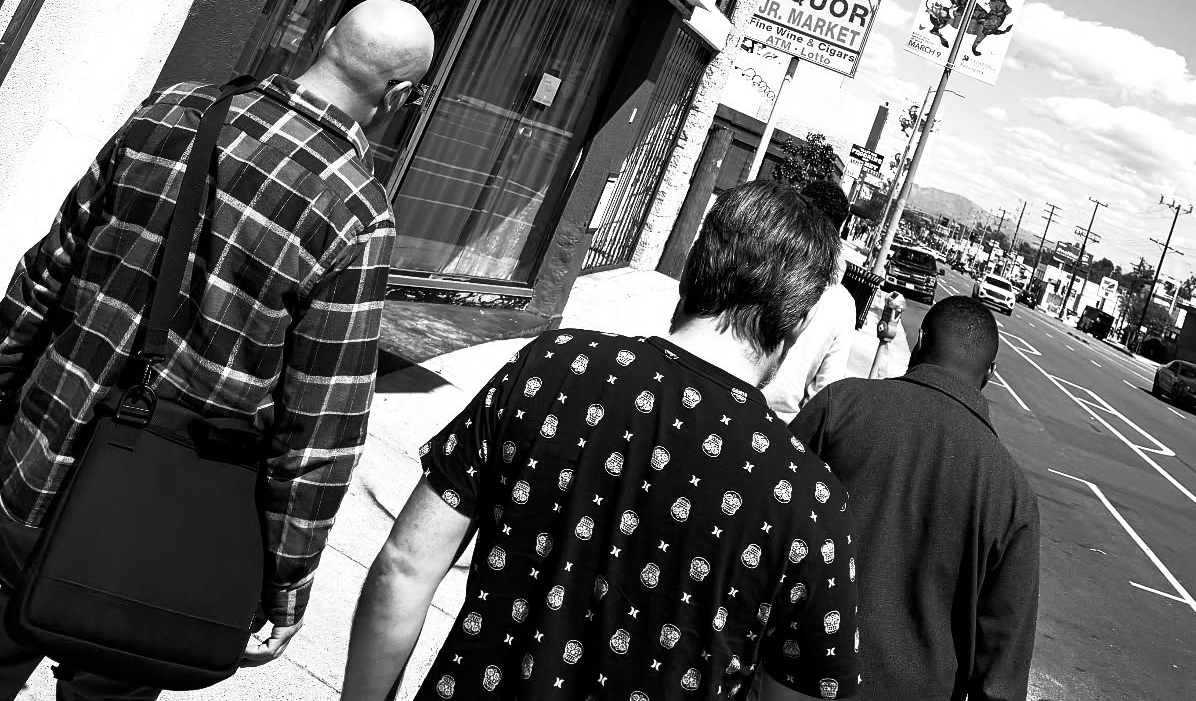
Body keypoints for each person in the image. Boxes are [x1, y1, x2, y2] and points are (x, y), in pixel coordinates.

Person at [0, 0, 434, 701]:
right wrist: (285, 581)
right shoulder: (355, 214)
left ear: (326, 38)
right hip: (153, 519)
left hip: (33, 461)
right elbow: (319, 428)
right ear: (400, 96)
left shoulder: (173, 110)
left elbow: (44, 274)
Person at [340, 181, 862, 701]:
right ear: (796, 324)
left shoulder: (551, 366)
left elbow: (405, 566)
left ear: (691, 271)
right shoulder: (809, 502)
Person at [794, 295, 1039, 701]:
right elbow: (1002, 671)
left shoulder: (843, 405)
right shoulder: (1012, 494)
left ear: (920, 339)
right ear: (990, 374)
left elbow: (762, 520)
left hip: (796, 673)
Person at [763, 179, 855, 422]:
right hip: (779, 425)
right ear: (839, 229)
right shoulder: (842, 304)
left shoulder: (761, 262)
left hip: (725, 396)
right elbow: (824, 394)